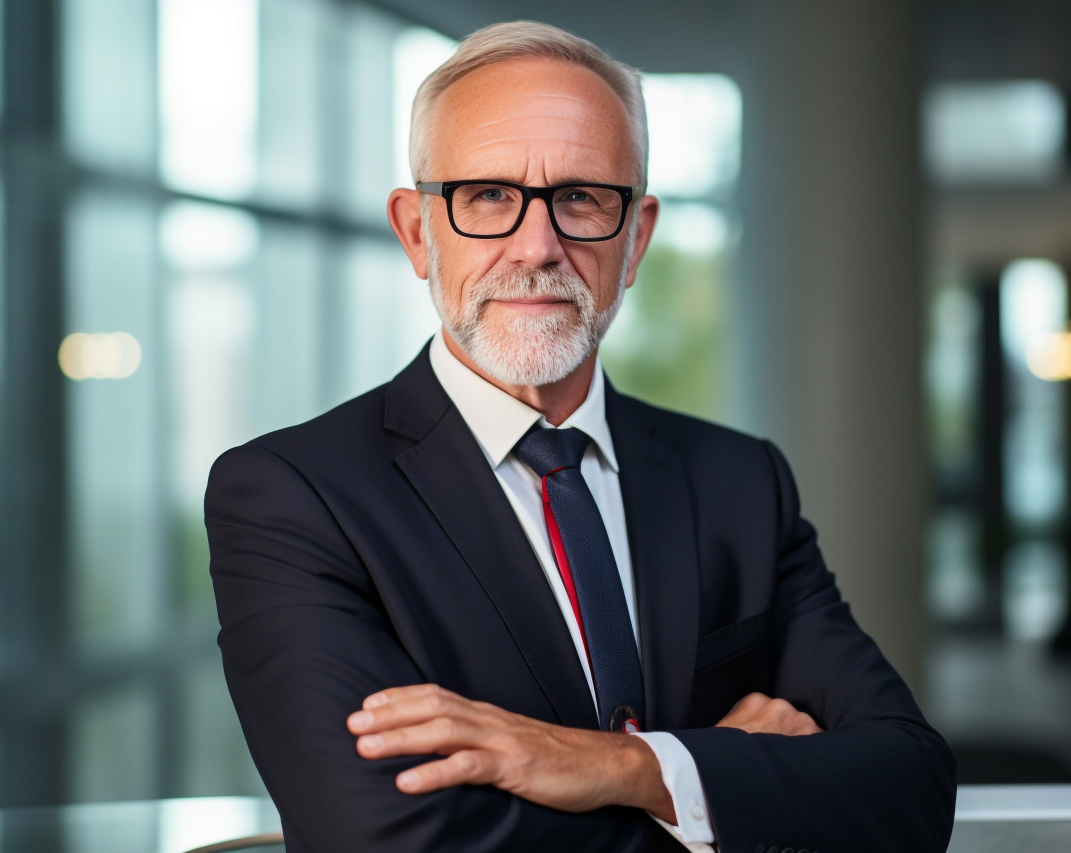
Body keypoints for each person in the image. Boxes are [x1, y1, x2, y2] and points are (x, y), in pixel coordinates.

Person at [205, 20, 955, 853]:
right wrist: (726, 783)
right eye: (488, 195)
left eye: (581, 197)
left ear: (636, 239)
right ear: (419, 231)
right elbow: (388, 837)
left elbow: (911, 786)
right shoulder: (293, 495)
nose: (538, 245)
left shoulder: (741, 482)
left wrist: (623, 767)